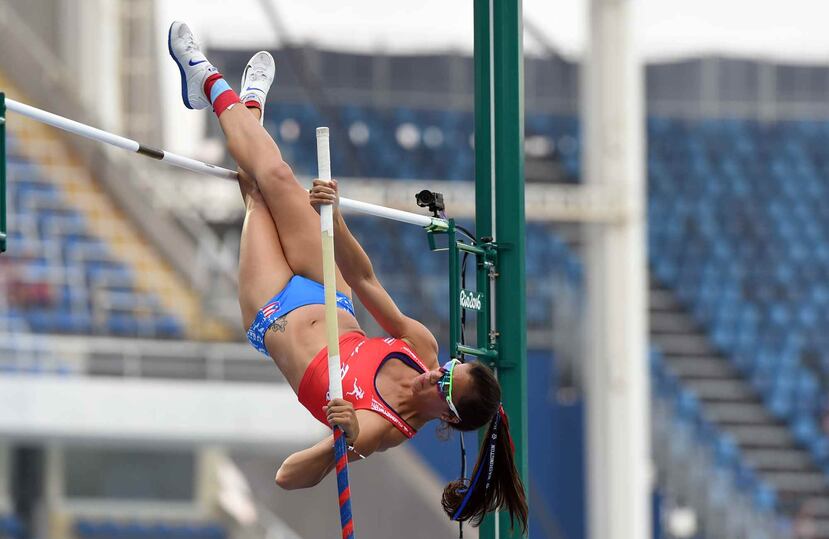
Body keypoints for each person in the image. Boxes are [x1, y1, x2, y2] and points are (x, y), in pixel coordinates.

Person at [167, 21, 527, 531]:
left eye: (444, 383)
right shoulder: (421, 347)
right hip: (328, 290)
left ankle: (250, 112)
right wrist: (333, 218)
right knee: (276, 178)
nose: (436, 371)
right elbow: (365, 280)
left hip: (272, 311)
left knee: (252, 189)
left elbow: (286, 477)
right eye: (449, 366)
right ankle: (204, 77)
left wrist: (340, 437)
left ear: (445, 416)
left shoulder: (383, 429)